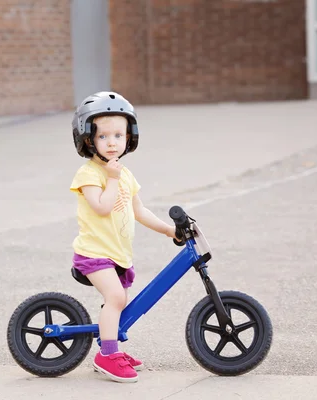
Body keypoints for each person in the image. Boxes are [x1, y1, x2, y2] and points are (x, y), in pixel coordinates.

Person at [70, 91, 179, 383]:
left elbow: (139, 211)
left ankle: (111, 346)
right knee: (116, 298)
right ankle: (107, 355)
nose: (112, 142)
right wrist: (113, 178)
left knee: (118, 301)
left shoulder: (125, 174)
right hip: (93, 253)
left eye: (118, 135)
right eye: (103, 136)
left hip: (116, 254)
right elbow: (102, 208)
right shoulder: (89, 173)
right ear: (87, 138)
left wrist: (169, 230)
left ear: (130, 136)